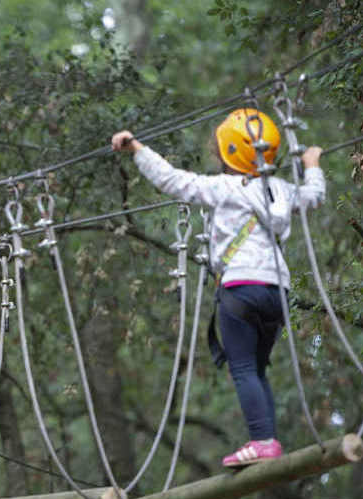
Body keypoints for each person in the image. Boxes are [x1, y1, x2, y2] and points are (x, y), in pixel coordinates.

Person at [112, 108, 325, 468]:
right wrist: (312, 163)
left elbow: (172, 180)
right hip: (277, 293)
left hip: (240, 289)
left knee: (242, 369)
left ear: (226, 152)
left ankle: (262, 441)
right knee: (254, 370)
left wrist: (137, 149)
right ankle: (267, 441)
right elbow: (314, 196)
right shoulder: (283, 190)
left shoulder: (222, 187)